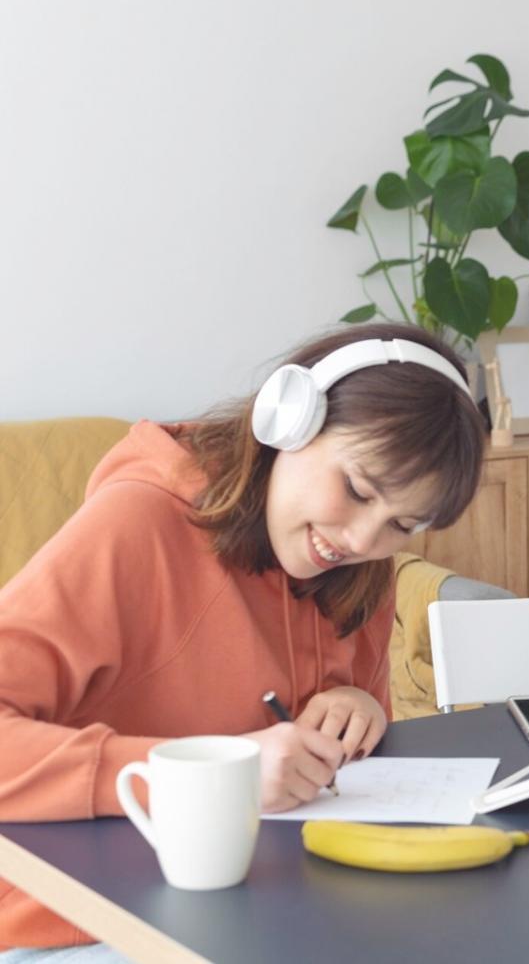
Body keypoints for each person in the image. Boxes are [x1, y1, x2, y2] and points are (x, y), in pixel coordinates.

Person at [0, 323, 486, 957]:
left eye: (401, 524)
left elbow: (332, 774)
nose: (365, 540)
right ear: (291, 420)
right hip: (79, 921)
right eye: (358, 490)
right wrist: (211, 779)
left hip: (269, 905)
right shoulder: (136, 526)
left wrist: (358, 712)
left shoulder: (360, 570)